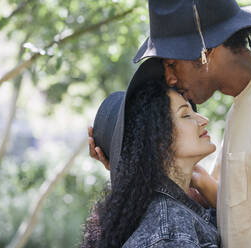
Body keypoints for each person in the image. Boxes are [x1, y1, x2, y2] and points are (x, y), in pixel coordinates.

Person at [89, 0, 251, 247]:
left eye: (172, 64)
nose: (169, 78)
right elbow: (242, 218)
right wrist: (133, 162)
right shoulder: (244, 104)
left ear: (205, 52)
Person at [81, 59, 220, 248]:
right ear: (157, 141)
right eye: (186, 115)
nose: (204, 120)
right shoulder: (170, 231)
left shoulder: (175, 212)